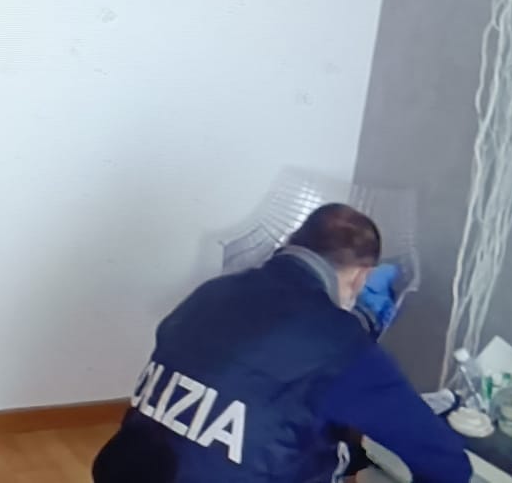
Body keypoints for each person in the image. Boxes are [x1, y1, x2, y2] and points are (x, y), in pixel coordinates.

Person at [91, 204, 473, 483]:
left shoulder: (212, 292)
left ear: (291, 243)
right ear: (362, 277)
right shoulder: (339, 342)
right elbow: (447, 464)